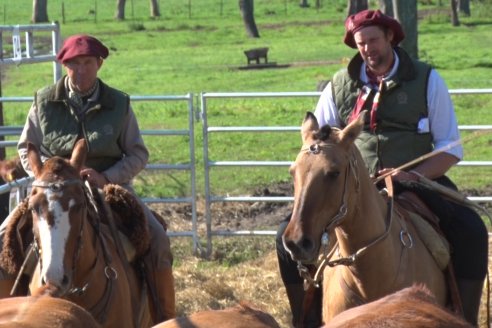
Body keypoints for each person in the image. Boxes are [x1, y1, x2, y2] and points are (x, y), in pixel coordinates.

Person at [276, 9, 488, 327]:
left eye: (373, 40)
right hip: (349, 186)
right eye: (360, 43)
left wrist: (413, 175)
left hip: (419, 182)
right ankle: (304, 318)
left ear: (390, 37)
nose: (367, 49)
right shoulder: (339, 86)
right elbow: (318, 142)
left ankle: (464, 319)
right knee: (287, 235)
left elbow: (449, 150)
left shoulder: (427, 80)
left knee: (470, 229)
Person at [0, 34, 176, 322]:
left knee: (157, 241)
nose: (80, 70)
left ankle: (165, 320)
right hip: (54, 192)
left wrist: (106, 176)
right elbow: (24, 147)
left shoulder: (118, 105)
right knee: (3, 241)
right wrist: (44, 175)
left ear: (99, 64)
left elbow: (138, 154)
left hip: (109, 190)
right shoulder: (44, 102)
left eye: (87, 63)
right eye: (73, 64)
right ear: (64, 66)